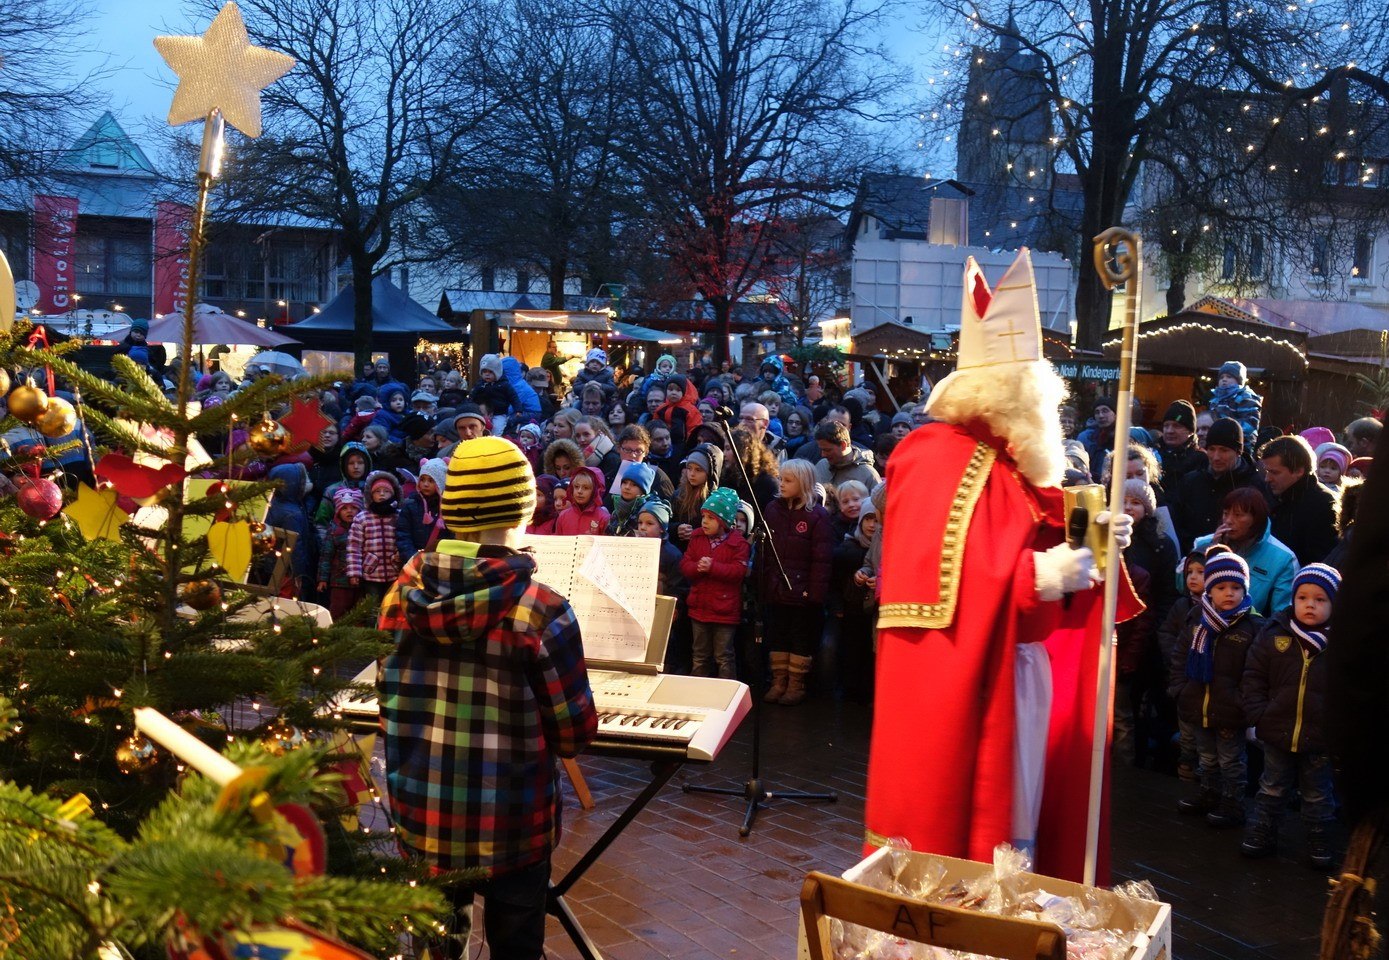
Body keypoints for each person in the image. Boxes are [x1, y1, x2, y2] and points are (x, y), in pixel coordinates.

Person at [865, 250, 1138, 882]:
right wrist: (1042, 576)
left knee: (1027, 813)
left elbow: (1040, 527)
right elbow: (936, 580)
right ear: (1015, 396)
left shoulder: (1010, 463)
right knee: (990, 818)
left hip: (1023, 664)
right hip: (978, 671)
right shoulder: (935, 454)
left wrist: (1099, 536)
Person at [378, 436, 598, 960]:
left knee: (432, 946)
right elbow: (573, 735)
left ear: (451, 508)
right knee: (516, 948)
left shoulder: (401, 591)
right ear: (525, 508)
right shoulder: (540, 609)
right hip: (512, 824)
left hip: (422, 813)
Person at [1240, 563, 1340, 866]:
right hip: (1277, 729)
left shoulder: (1343, 644)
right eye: (1303, 597)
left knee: (1318, 794)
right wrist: (1259, 714)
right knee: (1272, 786)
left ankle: (1319, 837)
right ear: (1293, 599)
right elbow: (1254, 676)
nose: (1310, 604)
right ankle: (1263, 830)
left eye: (1320, 599)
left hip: (1320, 736)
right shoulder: (1274, 635)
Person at [1170, 546, 1263, 828]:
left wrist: (1241, 701)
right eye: (1221, 587)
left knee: (1231, 760)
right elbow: (1180, 656)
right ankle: (1209, 793)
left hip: (1230, 709)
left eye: (1236, 587)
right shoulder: (1197, 621)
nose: (1229, 593)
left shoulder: (1252, 627)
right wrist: (1180, 690)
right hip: (1199, 703)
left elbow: (1256, 672)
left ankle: (1233, 803)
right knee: (1207, 756)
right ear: (1210, 590)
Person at [759, 458, 832, 706]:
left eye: (788, 481)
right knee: (778, 633)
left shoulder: (817, 516)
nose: (781, 484)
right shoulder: (772, 509)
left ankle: (796, 684)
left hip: (801, 591)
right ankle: (778, 681)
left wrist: (814, 594)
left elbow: (821, 560)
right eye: (781, 479)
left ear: (803, 484)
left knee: (800, 636)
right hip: (777, 587)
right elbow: (767, 553)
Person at [1192, 487, 1298, 616]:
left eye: (1238, 515)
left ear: (1256, 520)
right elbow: (1181, 586)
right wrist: (1210, 552)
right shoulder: (1203, 543)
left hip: (1251, 630)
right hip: (1201, 621)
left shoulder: (1283, 558)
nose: (1229, 520)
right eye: (1226, 513)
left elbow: (1283, 614)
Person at [680, 487, 750, 680]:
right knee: (700, 655)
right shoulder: (697, 538)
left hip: (724, 610)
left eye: (711, 518)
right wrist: (697, 568)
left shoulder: (739, 544)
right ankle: (699, 692)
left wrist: (713, 567)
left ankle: (727, 695)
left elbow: (738, 571)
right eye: (703, 516)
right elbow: (685, 565)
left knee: (724, 656)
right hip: (699, 608)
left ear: (724, 521)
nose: (704, 521)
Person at [1170, 417, 1262, 552]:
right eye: (1212, 449)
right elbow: (1177, 525)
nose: (1216, 457)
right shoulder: (1190, 482)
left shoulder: (1253, 485)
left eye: (1224, 450)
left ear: (1238, 452)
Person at [1159, 551, 1207, 780]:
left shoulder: (1216, 610)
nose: (1193, 577)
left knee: (1208, 744)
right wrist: (1177, 656)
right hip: (1184, 681)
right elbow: (1166, 633)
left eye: (1201, 572)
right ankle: (1185, 781)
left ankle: (1206, 784)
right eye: (1190, 572)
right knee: (1186, 738)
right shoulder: (1181, 605)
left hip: (1207, 685)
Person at [1260, 435, 1339, 566]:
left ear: (1299, 471)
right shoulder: (1271, 493)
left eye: (1274, 472)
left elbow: (1318, 562)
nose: (1267, 478)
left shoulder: (1323, 504)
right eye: (1267, 471)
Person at [832, 500, 878, 703]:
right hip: (851, 609)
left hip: (873, 609)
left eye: (876, 520)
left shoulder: (882, 543)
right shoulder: (848, 546)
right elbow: (835, 581)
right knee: (851, 651)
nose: (871, 525)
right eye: (867, 519)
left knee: (870, 653)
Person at [347, 471, 403, 604]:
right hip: (371, 573)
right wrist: (354, 572)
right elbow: (354, 547)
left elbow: (404, 539)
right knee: (371, 607)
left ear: (393, 493)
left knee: (392, 605)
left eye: (386, 491)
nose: (382, 494)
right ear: (371, 495)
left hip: (394, 570)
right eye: (377, 491)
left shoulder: (399, 516)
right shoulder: (362, 518)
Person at [318, 488, 365, 620]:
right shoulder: (334, 531)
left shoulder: (364, 528)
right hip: (339, 581)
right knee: (338, 610)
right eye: (344, 508)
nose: (349, 511)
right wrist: (322, 579)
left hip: (361, 580)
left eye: (353, 508)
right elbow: (326, 557)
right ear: (338, 512)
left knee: (359, 612)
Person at [671, 444, 722, 550]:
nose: (692, 474)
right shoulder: (678, 495)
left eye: (698, 470)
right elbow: (667, 523)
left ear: (709, 473)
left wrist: (696, 532)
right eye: (689, 468)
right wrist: (676, 529)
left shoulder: (716, 500)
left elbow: (722, 532)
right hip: (681, 550)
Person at [396, 458, 446, 563]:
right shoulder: (410, 504)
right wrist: (413, 558)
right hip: (413, 562)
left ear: (440, 482)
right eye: (422, 479)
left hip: (440, 562)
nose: (425, 484)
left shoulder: (447, 508)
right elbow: (403, 535)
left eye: (431, 480)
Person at [637, 499, 686, 601]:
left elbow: (678, 587)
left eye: (649, 523)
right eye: (640, 523)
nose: (642, 527)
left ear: (662, 528)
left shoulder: (672, 554)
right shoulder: (634, 548)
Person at [1209, 361, 1263, 454]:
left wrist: (1229, 433)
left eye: (1229, 377)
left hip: (1242, 445)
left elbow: (1250, 423)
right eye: (1221, 377)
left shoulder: (1246, 397)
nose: (1224, 379)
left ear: (1239, 380)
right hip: (1218, 443)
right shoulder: (1216, 399)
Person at [811, 421, 880, 489]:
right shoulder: (821, 466)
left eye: (828, 450)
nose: (823, 455)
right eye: (822, 449)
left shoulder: (868, 474)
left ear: (843, 445)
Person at [1154, 399, 1208, 483]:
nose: (1170, 431)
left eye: (1177, 426)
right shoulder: (1153, 455)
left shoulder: (1200, 459)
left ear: (1190, 431)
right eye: (1166, 426)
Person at [553, 465, 610, 536]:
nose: (579, 491)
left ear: (595, 491)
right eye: (576, 487)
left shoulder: (603, 518)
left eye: (586, 488)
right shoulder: (563, 516)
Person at [605, 462, 656, 537]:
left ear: (643, 490)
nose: (627, 487)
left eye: (634, 484)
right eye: (625, 483)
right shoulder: (617, 508)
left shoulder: (647, 511)